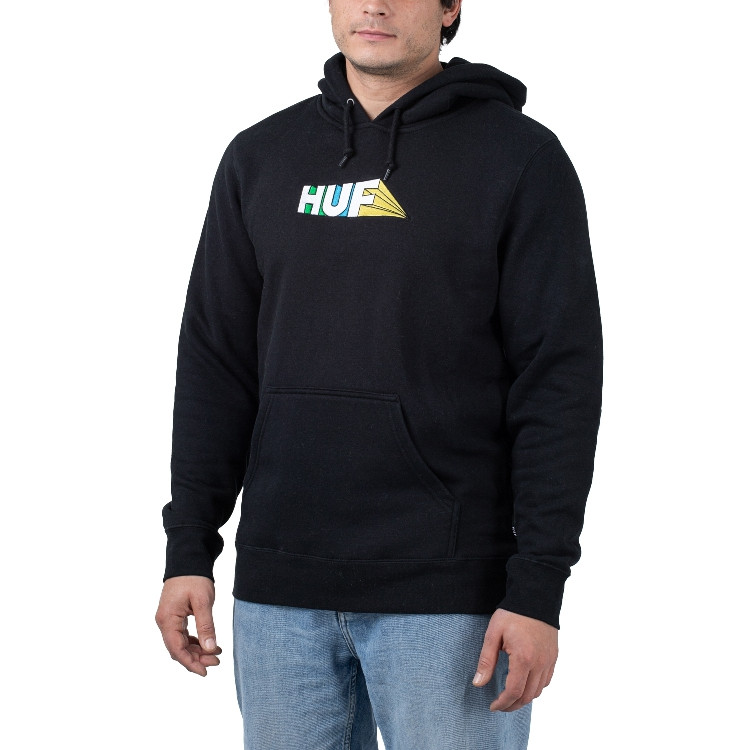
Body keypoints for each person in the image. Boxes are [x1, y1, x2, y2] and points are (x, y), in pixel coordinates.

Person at [155, 1, 603, 748]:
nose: (374, 4)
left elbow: (557, 382)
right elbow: (215, 362)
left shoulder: (520, 158)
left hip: (450, 598)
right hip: (279, 591)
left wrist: (538, 588)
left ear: (451, 6)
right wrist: (189, 548)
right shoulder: (261, 157)